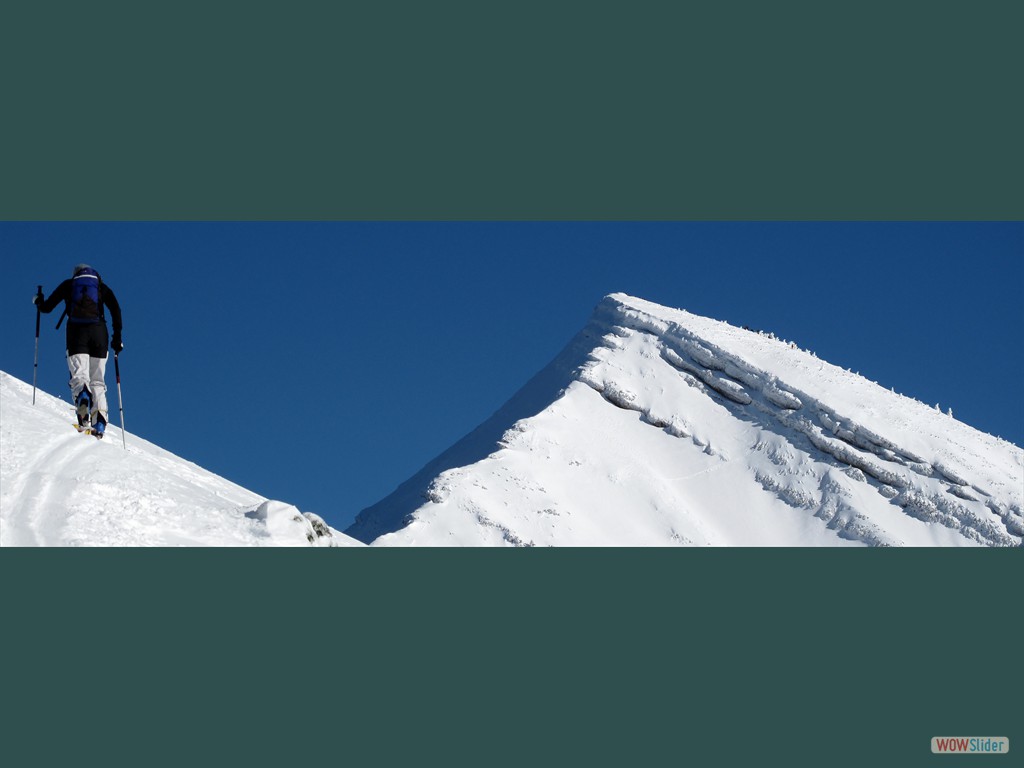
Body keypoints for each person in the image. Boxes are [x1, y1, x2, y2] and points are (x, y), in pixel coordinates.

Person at [34, 264, 123, 438]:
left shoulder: (68, 285)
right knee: (98, 381)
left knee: (80, 376)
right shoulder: (101, 287)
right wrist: (117, 338)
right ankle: (100, 422)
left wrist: (39, 300)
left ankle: (83, 397)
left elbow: (46, 308)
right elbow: (116, 310)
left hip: (76, 334)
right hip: (100, 334)